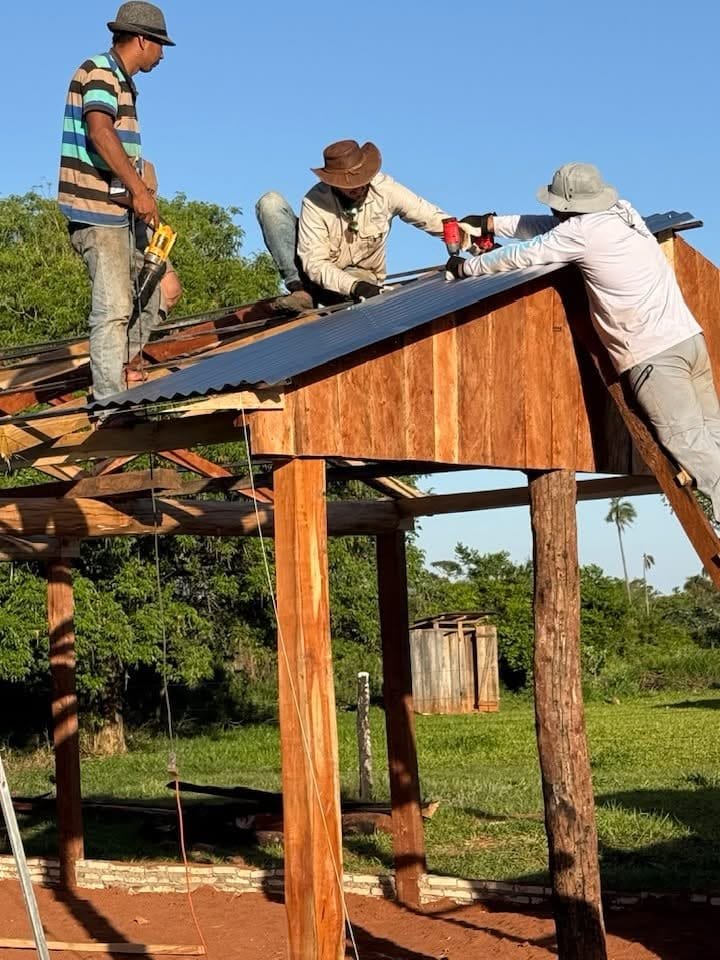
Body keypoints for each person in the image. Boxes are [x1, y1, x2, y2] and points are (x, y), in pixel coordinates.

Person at [446, 162, 720, 522]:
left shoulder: (581, 233)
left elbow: (525, 253)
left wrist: (466, 268)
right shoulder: (622, 214)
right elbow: (553, 229)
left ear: (566, 205)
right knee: (713, 435)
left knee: (689, 444)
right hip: (687, 341)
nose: (552, 212)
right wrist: (492, 223)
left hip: (654, 356)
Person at [58, 2, 175, 400]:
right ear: (143, 40)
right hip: (97, 212)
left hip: (122, 213)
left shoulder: (122, 81)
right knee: (113, 307)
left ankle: (114, 368)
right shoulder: (100, 72)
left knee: (163, 290)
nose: (161, 55)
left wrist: (142, 193)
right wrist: (140, 190)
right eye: (160, 45)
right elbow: (100, 132)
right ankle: (109, 400)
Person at [256, 139, 461, 312]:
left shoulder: (386, 189)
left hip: (363, 277)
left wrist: (476, 244)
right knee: (270, 203)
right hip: (315, 278)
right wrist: (354, 287)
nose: (358, 187)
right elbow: (315, 264)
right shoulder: (314, 202)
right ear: (334, 183)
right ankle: (300, 293)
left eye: (362, 179)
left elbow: (432, 217)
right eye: (350, 184)